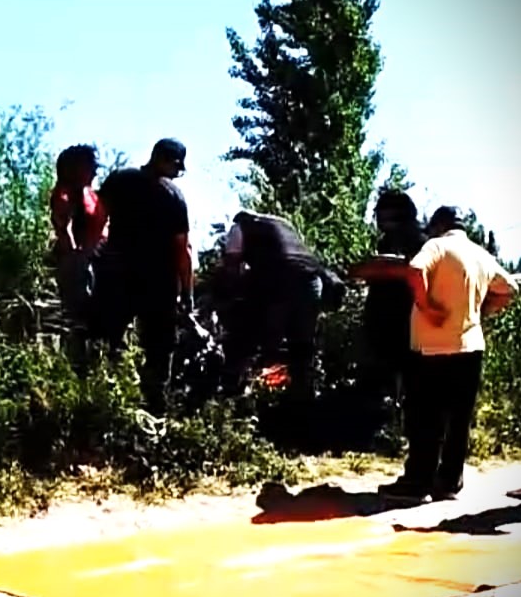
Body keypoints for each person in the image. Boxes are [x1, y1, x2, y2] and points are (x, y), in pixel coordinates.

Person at [378, 206, 518, 503]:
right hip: (470, 348)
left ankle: (417, 483)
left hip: (431, 348)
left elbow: (415, 271)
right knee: (458, 419)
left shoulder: (437, 246)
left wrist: (428, 307)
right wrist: (484, 310)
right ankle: (449, 483)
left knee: (425, 416)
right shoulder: (481, 255)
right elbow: (510, 289)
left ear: (438, 225)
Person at [89, 138, 193, 414]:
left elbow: (98, 217)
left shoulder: (120, 180)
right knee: (159, 348)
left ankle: (101, 400)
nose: (178, 170)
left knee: (107, 337)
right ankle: (154, 408)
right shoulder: (173, 196)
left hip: (117, 272)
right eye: (177, 164)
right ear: (164, 159)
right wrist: (187, 293)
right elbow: (182, 249)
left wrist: (91, 251)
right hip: (157, 281)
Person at [217, 209, 327, 401]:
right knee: (301, 349)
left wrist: (228, 297)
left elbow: (232, 265)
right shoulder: (284, 223)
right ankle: (304, 403)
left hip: (279, 277)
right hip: (313, 281)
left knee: (244, 335)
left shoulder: (239, 226)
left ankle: (231, 391)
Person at [349, 190, 426, 418]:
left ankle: (397, 422)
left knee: (407, 373)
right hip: (387, 317)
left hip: (404, 316)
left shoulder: (417, 240)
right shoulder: (389, 241)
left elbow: (408, 269)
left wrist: (370, 269)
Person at [49, 144, 108, 323]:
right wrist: (78, 259)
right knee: (80, 316)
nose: (95, 171)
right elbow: (64, 228)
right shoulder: (64, 195)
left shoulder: (91, 194)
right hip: (80, 265)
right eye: (91, 166)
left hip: (99, 260)